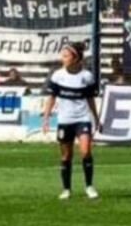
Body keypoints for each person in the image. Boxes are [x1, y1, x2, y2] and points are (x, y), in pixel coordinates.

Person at [42, 42, 100, 200]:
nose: (63, 58)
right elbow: (51, 98)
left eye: (66, 56)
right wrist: (46, 118)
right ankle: (66, 189)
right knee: (66, 156)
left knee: (86, 151)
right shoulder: (58, 75)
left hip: (82, 119)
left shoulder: (86, 76)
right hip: (65, 120)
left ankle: (89, 186)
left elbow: (90, 99)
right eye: (63, 55)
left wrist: (96, 118)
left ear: (75, 59)